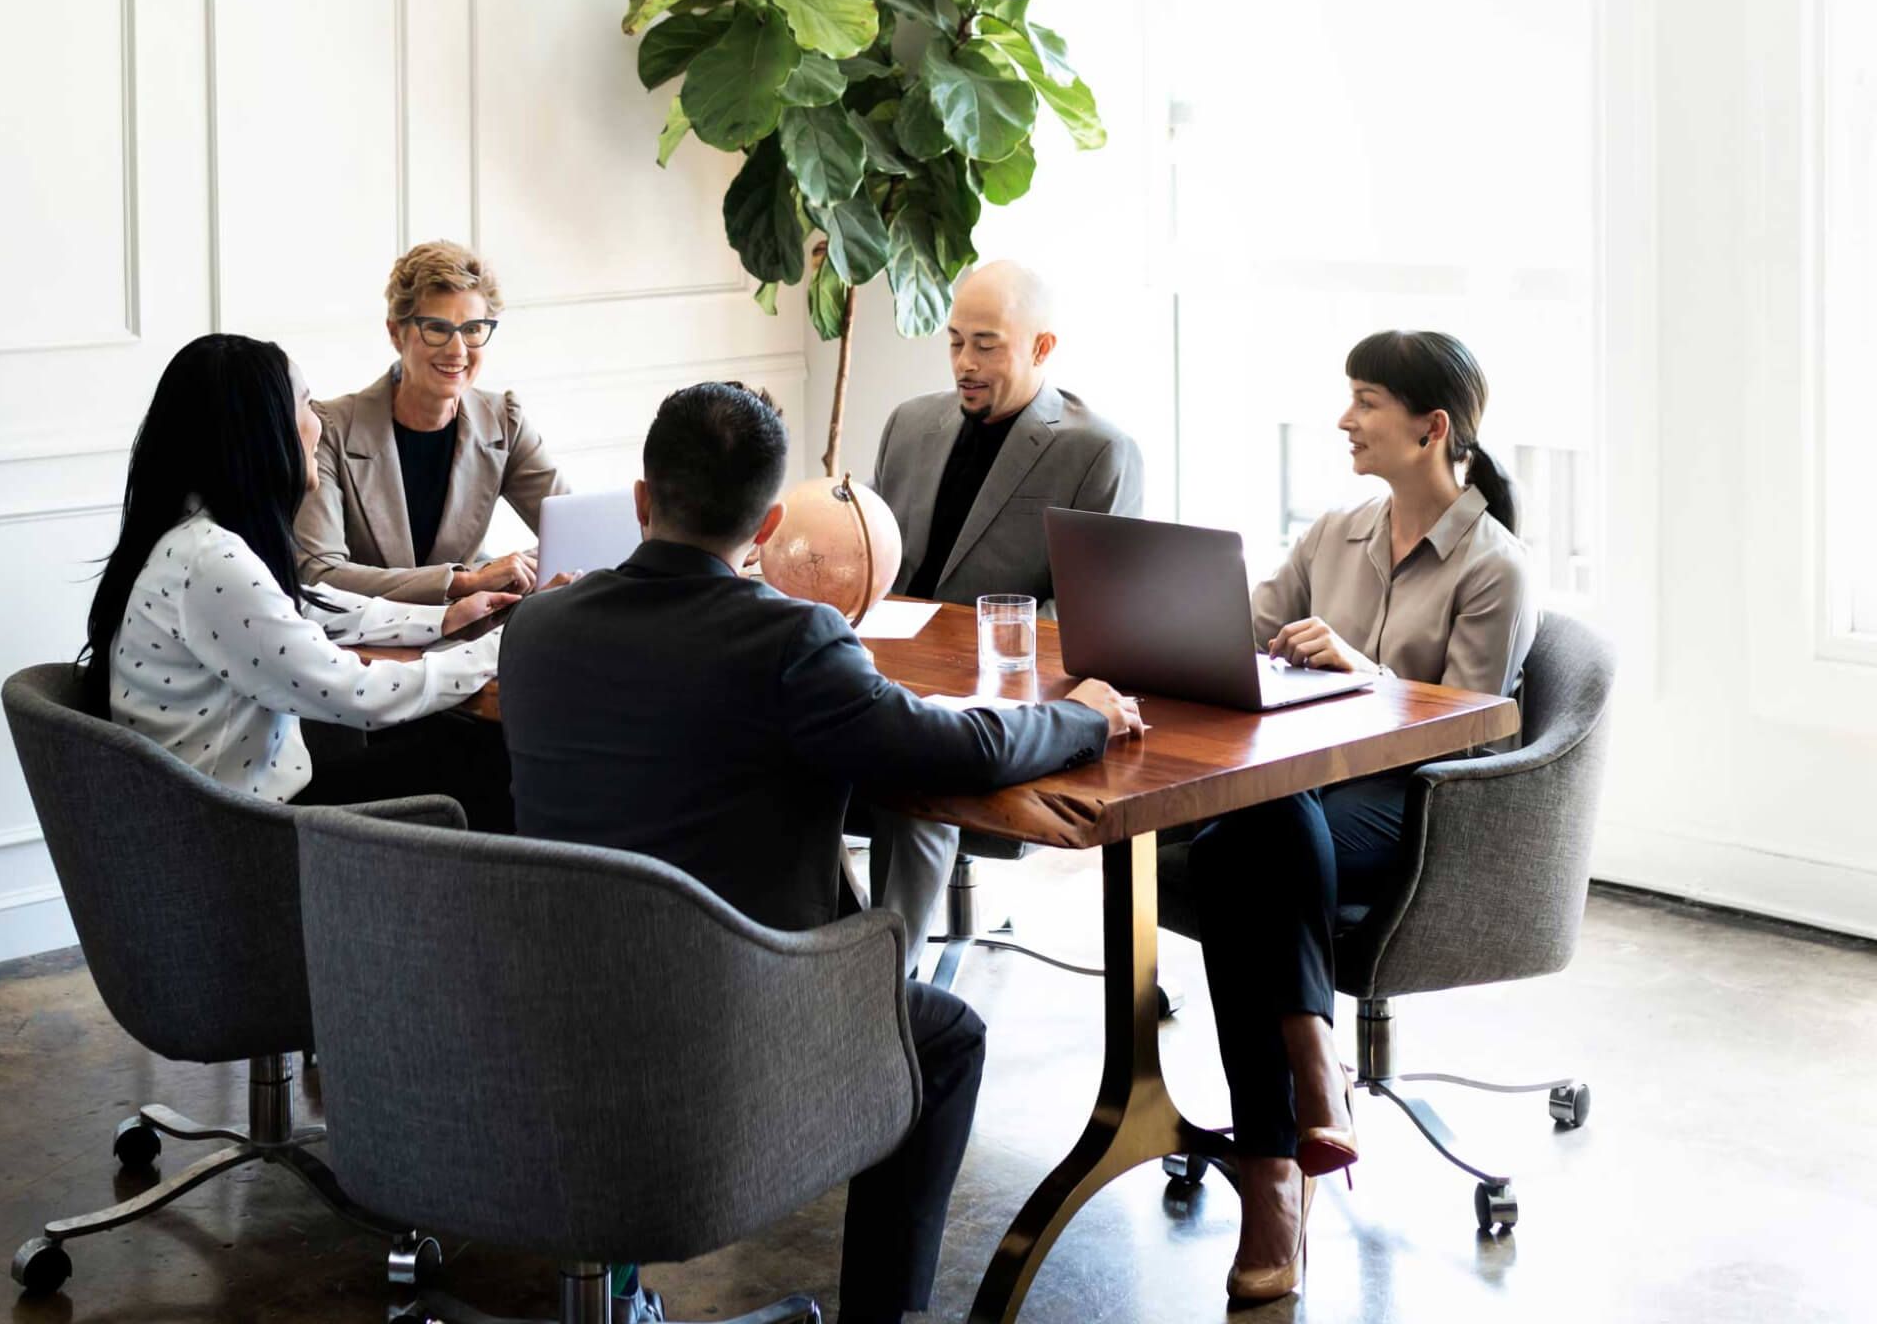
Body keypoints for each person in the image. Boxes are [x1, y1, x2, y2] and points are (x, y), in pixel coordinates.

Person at [497, 381, 1145, 1324]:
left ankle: (616, 1275)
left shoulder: (538, 626)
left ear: (644, 500)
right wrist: (1078, 717)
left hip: (547, 1005)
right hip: (733, 1020)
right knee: (946, 1036)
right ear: (766, 524)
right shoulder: (790, 640)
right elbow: (959, 750)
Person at [1162, 330, 1537, 1303]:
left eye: (1366, 401)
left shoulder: (1495, 568)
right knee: (1254, 826)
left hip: (1417, 809)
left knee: (1239, 839)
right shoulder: (1336, 532)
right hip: (1300, 805)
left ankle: (1273, 1175)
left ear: (1432, 430)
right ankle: (1309, 1080)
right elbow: (1237, 629)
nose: (1345, 420)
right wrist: (1162, 630)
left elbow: (1477, 732)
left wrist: (1363, 675)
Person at [82, 333, 522, 830]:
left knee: (459, 749)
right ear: (263, 430)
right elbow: (359, 694)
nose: (320, 422)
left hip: (216, 815)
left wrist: (446, 620)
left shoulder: (191, 536)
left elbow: (309, 607)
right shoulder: (210, 561)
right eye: (308, 403)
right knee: (486, 755)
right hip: (244, 835)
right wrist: (499, 650)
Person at [863, 259, 1145, 967]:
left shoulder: (1097, 451)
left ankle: (886, 987)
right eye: (955, 341)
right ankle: (814, 959)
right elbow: (871, 561)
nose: (964, 363)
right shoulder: (910, 423)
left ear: (1041, 348)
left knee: (917, 774)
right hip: (879, 675)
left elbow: (1089, 616)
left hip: (999, 699)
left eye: (986, 344)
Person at [294, 239, 567, 604]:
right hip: (369, 645)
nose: (457, 350)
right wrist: (464, 583)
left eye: (473, 329)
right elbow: (320, 573)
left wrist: (510, 571)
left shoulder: (504, 420)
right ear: (396, 333)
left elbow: (576, 534)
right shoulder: (331, 428)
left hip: (469, 638)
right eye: (437, 328)